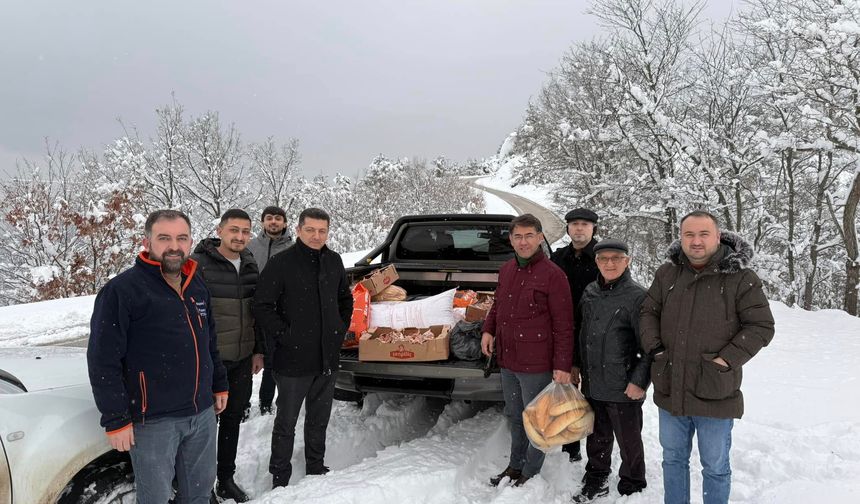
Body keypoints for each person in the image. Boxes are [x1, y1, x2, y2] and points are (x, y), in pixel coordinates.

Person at [87, 209, 228, 504]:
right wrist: (115, 419)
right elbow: (103, 359)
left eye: (181, 238)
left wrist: (218, 384)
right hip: (154, 420)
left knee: (199, 493)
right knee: (156, 498)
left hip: (201, 414)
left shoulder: (196, 285)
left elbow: (209, 340)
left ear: (190, 242)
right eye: (164, 238)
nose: (173, 246)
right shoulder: (122, 291)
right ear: (147, 241)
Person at [640, 211, 775, 504]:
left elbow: (761, 326)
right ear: (681, 238)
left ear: (718, 236)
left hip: (715, 390)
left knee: (714, 466)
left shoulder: (741, 278)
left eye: (703, 234)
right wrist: (657, 350)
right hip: (670, 386)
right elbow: (648, 313)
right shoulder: (667, 274)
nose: (696, 241)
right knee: (673, 460)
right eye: (689, 235)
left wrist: (725, 360)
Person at [252, 207, 353, 489]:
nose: (316, 236)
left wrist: (338, 328)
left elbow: (345, 299)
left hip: (327, 357)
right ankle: (279, 477)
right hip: (293, 358)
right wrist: (286, 335)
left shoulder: (334, 261)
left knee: (319, 419)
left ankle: (316, 467)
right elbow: (262, 305)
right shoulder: (281, 263)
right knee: (286, 422)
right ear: (298, 230)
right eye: (310, 230)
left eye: (322, 231)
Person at [481, 213, 574, 488]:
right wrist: (489, 329)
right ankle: (515, 464)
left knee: (537, 420)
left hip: (537, 363)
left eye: (529, 236)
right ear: (511, 240)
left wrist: (562, 366)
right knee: (515, 416)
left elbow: (564, 325)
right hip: (508, 359)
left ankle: (530, 472)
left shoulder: (553, 275)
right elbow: (498, 305)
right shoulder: (507, 269)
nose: (523, 242)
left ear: (540, 237)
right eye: (518, 237)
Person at [190, 209, 265, 503]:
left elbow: (255, 312)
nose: (240, 237)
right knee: (207, 428)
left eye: (245, 231)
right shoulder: (198, 265)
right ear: (220, 230)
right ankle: (202, 487)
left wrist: (258, 350)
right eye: (234, 230)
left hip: (242, 359)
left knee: (233, 420)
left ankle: (226, 479)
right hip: (210, 362)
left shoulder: (249, 264)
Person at [571, 239, 650, 502]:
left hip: (623, 385)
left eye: (616, 258)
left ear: (627, 261)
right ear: (596, 261)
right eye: (604, 258)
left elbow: (648, 346)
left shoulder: (637, 296)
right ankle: (596, 476)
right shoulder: (590, 292)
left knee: (629, 440)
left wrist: (639, 380)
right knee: (597, 436)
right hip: (593, 381)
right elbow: (581, 332)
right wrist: (575, 365)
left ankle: (633, 482)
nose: (610, 263)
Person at [551, 207, 600, 462]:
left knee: (594, 396)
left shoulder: (604, 258)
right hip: (565, 332)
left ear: (594, 229)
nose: (579, 228)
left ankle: (597, 453)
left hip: (595, 336)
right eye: (574, 224)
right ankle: (570, 448)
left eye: (585, 224)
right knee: (566, 391)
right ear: (568, 228)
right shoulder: (558, 258)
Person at [246, 205, 293, 415]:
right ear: (263, 222)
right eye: (269, 218)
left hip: (277, 312)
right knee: (246, 358)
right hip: (250, 310)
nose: (273, 222)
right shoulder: (250, 246)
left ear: (284, 223)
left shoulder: (293, 248)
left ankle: (266, 403)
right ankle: (242, 405)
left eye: (278, 218)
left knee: (272, 359)